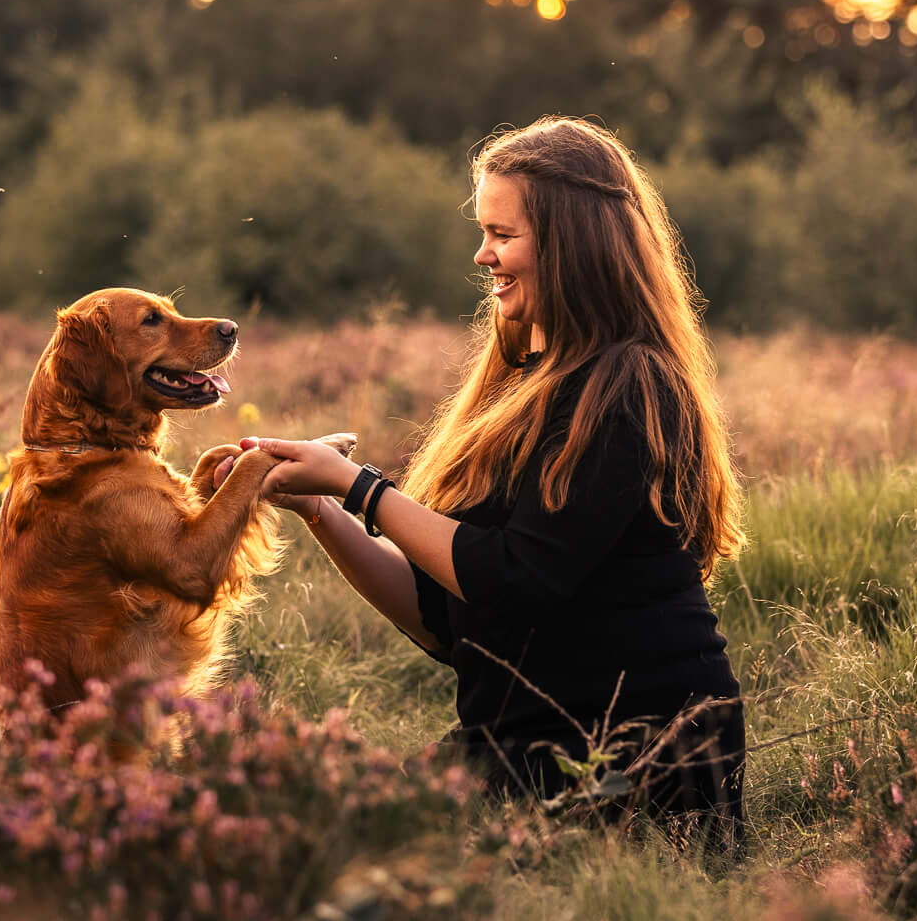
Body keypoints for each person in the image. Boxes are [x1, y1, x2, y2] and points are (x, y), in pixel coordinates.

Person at [222, 116, 748, 852]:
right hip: (529, 742)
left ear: (572, 243)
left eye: (503, 234)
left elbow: (514, 582)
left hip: (638, 756)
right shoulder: (521, 377)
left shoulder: (629, 387)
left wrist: (360, 486)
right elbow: (448, 616)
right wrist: (320, 505)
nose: (483, 254)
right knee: (290, 831)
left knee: (321, 847)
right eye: (484, 232)